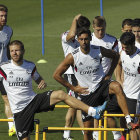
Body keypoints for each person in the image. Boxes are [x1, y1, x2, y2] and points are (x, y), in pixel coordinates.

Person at [0, 40, 108, 140]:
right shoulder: (3, 68)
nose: (14, 53)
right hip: (20, 110)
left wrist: (41, 82)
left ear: (23, 51)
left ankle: (92, 111)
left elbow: (38, 78)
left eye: (17, 50)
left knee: (60, 94)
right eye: (12, 51)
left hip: (32, 100)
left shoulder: (30, 66)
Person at [53, 28, 139, 140]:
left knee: (117, 86)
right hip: (86, 94)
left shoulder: (99, 50)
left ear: (90, 39)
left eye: (86, 39)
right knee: (88, 132)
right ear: (78, 40)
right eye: (81, 39)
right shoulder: (72, 56)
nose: (84, 42)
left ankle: (128, 120)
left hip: (101, 88)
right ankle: (103, 114)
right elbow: (56, 75)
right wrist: (73, 88)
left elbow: (115, 56)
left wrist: (108, 74)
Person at [90, 16, 122, 140]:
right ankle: (96, 135)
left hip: (106, 80)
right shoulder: (89, 39)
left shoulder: (112, 41)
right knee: (94, 110)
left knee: (108, 109)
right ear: (93, 27)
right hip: (92, 80)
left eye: (102, 29)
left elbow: (116, 59)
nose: (100, 32)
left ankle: (117, 135)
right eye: (98, 29)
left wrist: (110, 74)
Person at [61, 14, 90, 140]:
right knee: (75, 104)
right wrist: (74, 19)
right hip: (71, 74)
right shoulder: (66, 36)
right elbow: (71, 35)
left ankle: (82, 133)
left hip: (82, 73)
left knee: (78, 105)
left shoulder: (82, 38)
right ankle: (70, 134)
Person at [116, 32, 140, 140]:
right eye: (123, 47)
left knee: (133, 127)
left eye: (126, 47)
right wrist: (119, 79)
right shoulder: (123, 53)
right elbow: (118, 63)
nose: (124, 49)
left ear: (133, 44)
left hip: (134, 98)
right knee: (110, 113)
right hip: (123, 94)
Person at [0, 4, 15, 136]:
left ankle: (11, 127)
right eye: (1, 16)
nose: (4, 18)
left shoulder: (8, 30)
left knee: (7, 98)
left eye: (5, 16)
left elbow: (8, 50)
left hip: (3, 71)